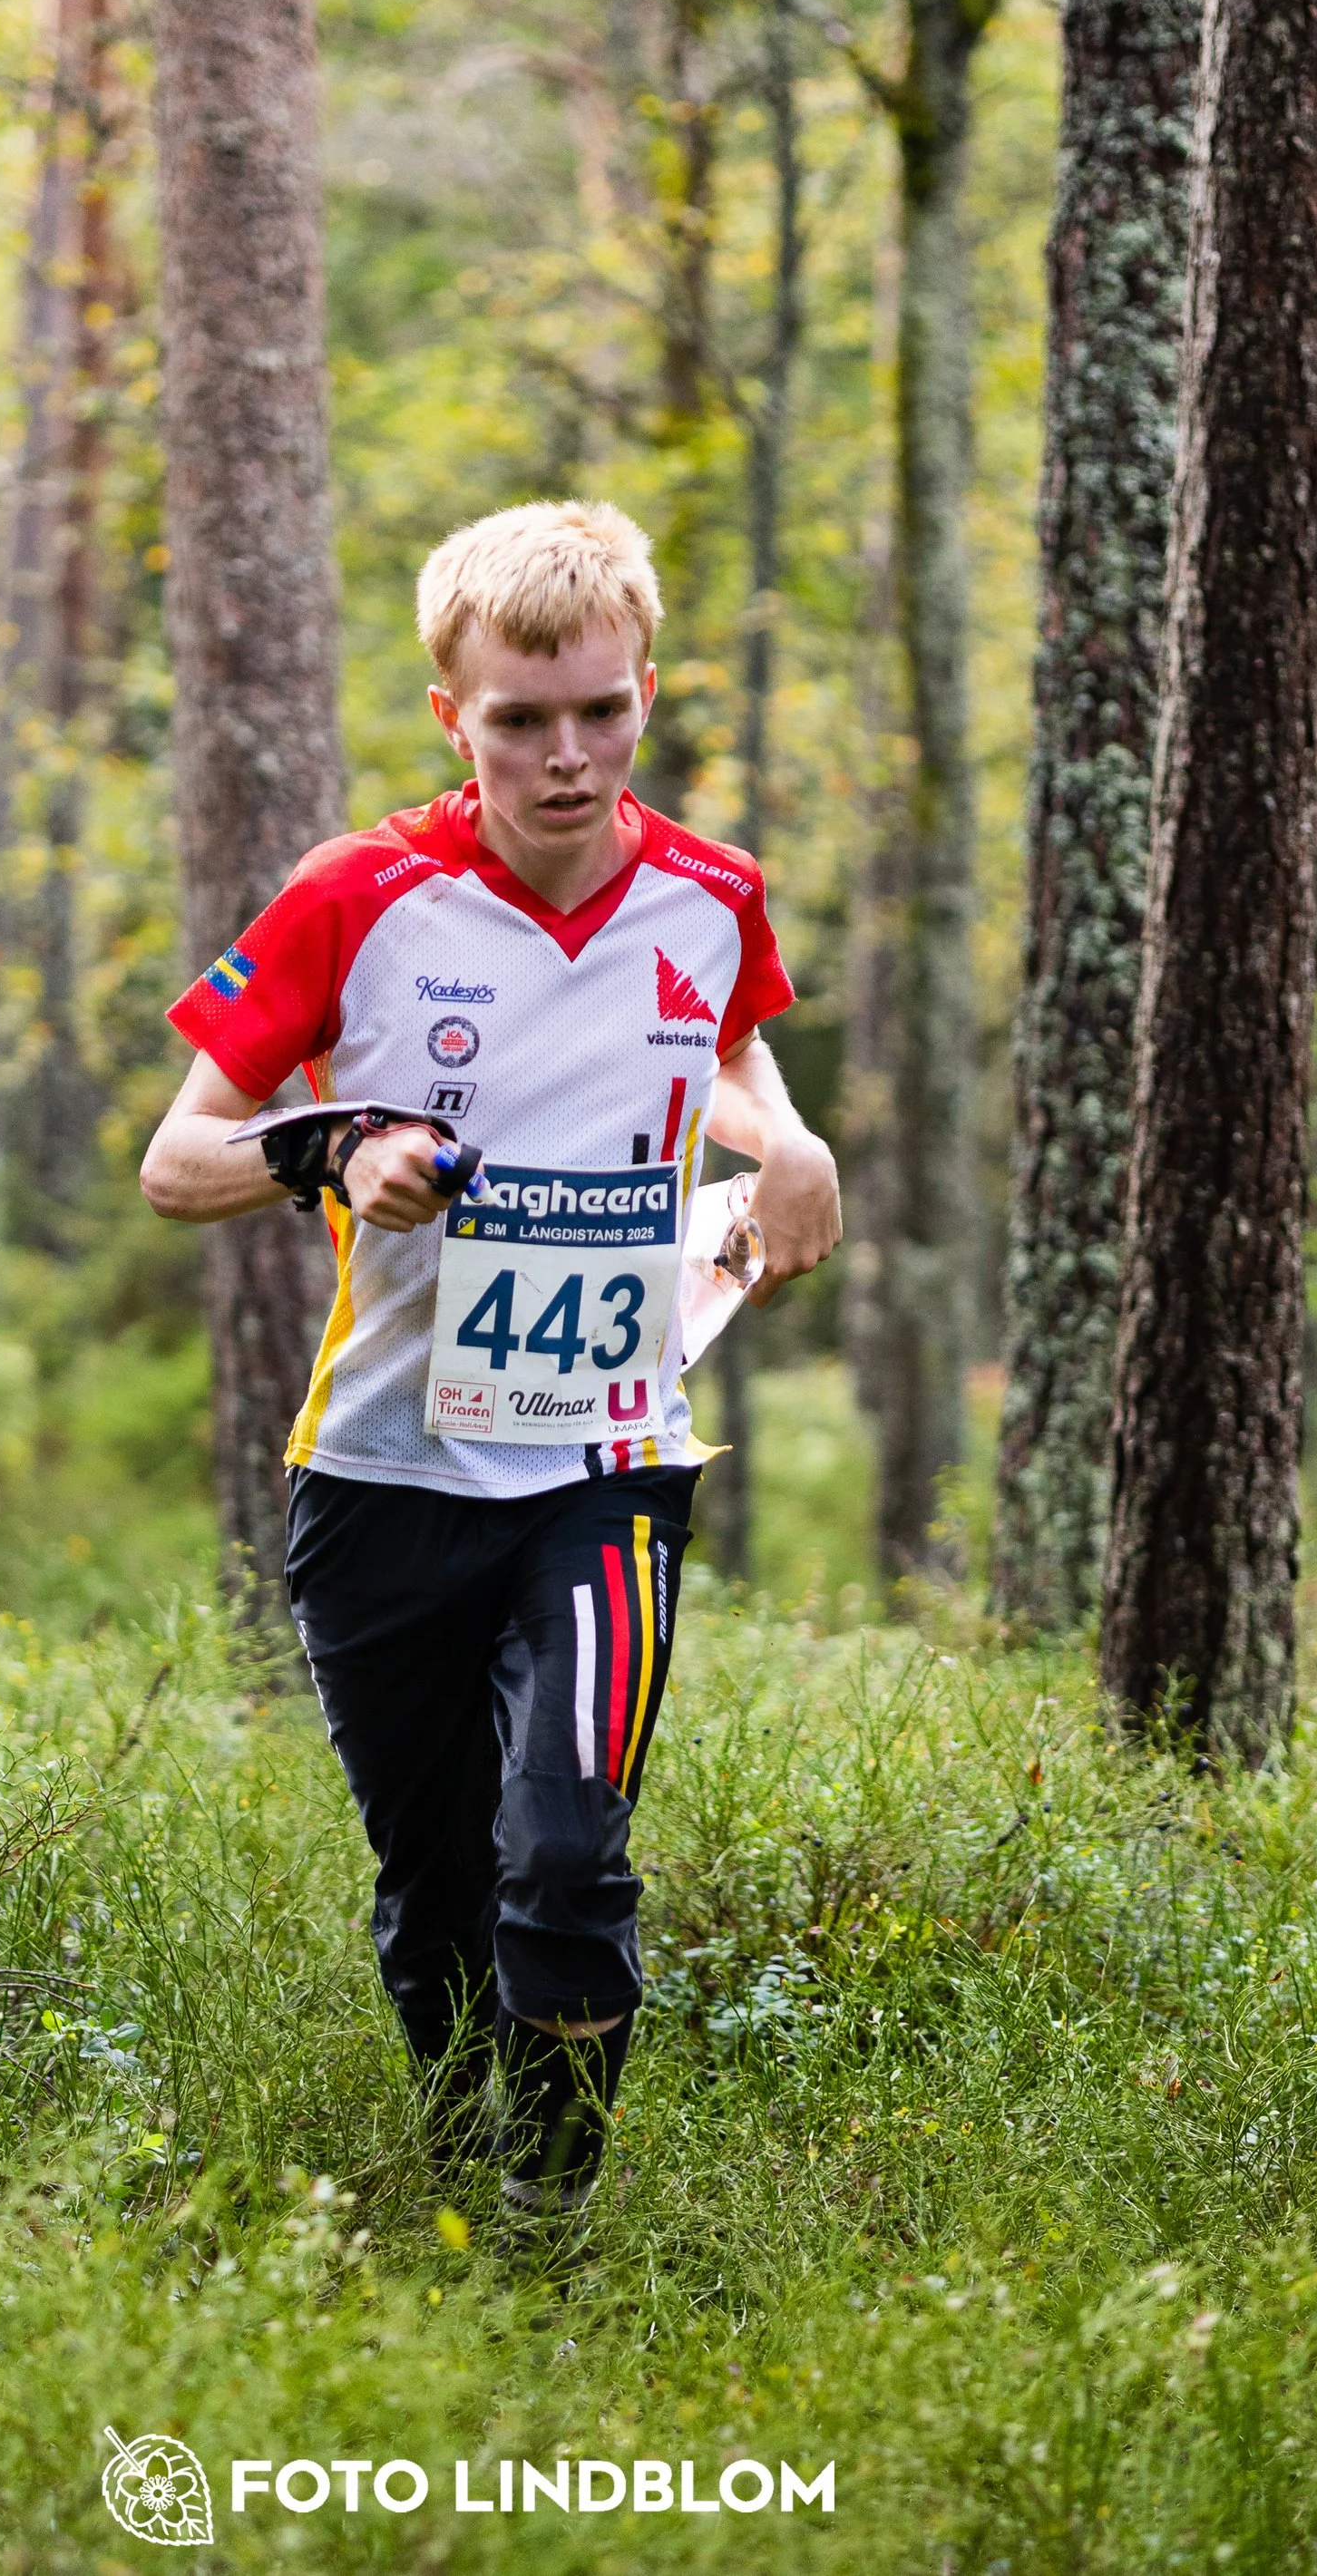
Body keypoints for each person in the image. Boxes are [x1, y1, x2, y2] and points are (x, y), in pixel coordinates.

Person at [142, 499, 841, 2211]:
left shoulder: (711, 895)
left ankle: (550, 2216)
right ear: (453, 714)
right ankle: (464, 2184)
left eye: (603, 712)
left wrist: (790, 1144)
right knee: (440, 1885)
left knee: (568, 1856)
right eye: (523, 721)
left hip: (606, 1463)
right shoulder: (359, 896)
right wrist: (335, 1148)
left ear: (648, 692)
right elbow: (176, 1163)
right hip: (382, 1474)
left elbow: (723, 1048)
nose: (568, 757)